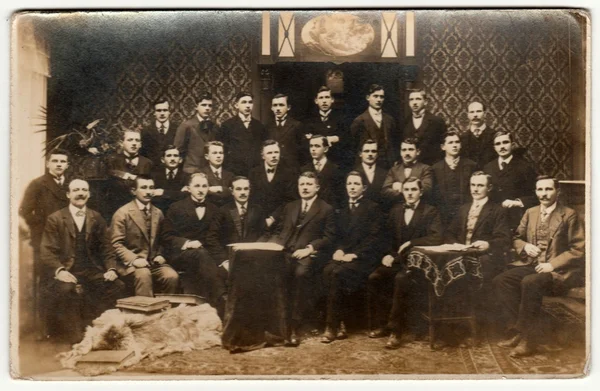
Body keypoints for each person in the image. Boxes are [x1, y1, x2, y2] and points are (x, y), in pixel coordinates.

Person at [493, 176, 585, 357]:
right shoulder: (530, 212)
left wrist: (552, 264)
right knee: (501, 280)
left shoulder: (569, 214)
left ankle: (529, 339)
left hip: (559, 271)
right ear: (535, 192)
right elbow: (516, 238)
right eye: (540, 190)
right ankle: (518, 331)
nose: (544, 194)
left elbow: (579, 249)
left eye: (548, 189)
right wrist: (525, 246)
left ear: (557, 192)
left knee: (530, 282)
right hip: (532, 265)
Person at [40, 179, 125, 343]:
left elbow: (106, 248)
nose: (80, 193)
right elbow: (47, 251)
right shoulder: (55, 219)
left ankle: (98, 329)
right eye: (76, 190)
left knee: (116, 286)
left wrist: (111, 269)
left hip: (91, 270)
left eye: (84, 190)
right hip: (67, 270)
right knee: (66, 290)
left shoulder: (96, 217)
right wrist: (60, 271)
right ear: (68, 194)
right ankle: (75, 337)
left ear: (89, 194)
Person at [367, 177, 443, 349]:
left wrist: (412, 242)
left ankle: (396, 331)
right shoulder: (395, 211)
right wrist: (388, 254)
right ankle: (382, 324)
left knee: (401, 279)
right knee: (375, 277)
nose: (409, 193)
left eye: (413, 190)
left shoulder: (430, 211)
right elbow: (386, 237)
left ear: (421, 192)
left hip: (419, 263)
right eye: (406, 190)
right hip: (398, 260)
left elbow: (437, 237)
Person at [270, 172, 336, 346]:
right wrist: (274, 245)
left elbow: (329, 237)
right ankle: (275, 324)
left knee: (300, 274)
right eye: (302, 184)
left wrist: (309, 249)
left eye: (308, 184)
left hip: (309, 255)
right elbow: (278, 231)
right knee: (273, 273)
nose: (305, 187)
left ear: (317, 187)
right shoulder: (290, 206)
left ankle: (294, 327)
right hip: (285, 252)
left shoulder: (326, 209)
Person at [445, 171, 511, 334]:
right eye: (473, 185)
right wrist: (456, 244)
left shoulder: (497, 210)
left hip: (484, 257)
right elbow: (450, 232)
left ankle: (477, 325)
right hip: (460, 254)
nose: (475, 189)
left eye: (480, 185)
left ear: (489, 188)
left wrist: (488, 244)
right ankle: (452, 324)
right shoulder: (463, 209)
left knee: (477, 276)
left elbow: (504, 239)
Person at [321, 171, 383, 343]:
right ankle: (340, 322)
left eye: (356, 184)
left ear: (363, 187)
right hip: (345, 256)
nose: (352, 187)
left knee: (337, 273)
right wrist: (340, 250)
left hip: (364, 258)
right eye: (349, 184)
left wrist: (355, 254)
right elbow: (338, 236)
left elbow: (374, 238)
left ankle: (332, 327)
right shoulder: (340, 208)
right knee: (327, 270)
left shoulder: (373, 207)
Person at [161, 173, 227, 318]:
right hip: (180, 255)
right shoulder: (176, 208)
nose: (200, 190)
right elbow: (166, 236)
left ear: (208, 188)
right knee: (200, 253)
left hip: (205, 256)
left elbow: (214, 238)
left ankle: (213, 313)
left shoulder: (214, 209)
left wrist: (223, 260)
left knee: (209, 258)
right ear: (188, 188)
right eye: (197, 186)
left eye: (204, 186)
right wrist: (187, 243)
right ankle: (222, 297)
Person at [111, 175, 179, 297]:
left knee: (171, 276)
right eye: (143, 187)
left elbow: (163, 240)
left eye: (151, 188)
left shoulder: (158, 213)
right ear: (133, 191)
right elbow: (116, 244)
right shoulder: (122, 213)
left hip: (153, 262)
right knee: (143, 275)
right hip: (130, 263)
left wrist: (160, 254)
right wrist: (135, 260)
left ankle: (167, 313)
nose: (148, 192)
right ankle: (145, 313)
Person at [205, 176, 268, 274]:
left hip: (254, 256)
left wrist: (256, 249)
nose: (243, 192)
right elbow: (211, 238)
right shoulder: (223, 211)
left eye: (246, 189)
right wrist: (224, 260)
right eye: (238, 189)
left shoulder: (257, 210)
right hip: (230, 258)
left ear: (250, 190)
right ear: (232, 191)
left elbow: (265, 233)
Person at [19, 149, 71, 260]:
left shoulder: (72, 184)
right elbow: (24, 210)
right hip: (43, 236)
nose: (58, 164)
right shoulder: (37, 184)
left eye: (62, 161)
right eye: (55, 161)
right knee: (45, 273)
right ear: (48, 164)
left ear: (67, 165)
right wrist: (40, 225)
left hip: (67, 237)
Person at [483, 130, 537, 230]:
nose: (502, 146)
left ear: (512, 145)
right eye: (498, 144)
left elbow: (536, 196)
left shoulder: (525, 167)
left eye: (505, 142)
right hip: (492, 219)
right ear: (494, 148)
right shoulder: (488, 168)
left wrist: (517, 202)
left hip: (515, 218)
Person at [431, 131, 477, 226]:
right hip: (443, 217)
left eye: (457, 142)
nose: (454, 145)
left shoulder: (471, 165)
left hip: (466, 215)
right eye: (450, 143)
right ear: (443, 147)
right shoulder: (435, 168)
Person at [218, 92, 268, 176]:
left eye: (250, 102)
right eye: (244, 102)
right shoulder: (227, 126)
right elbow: (224, 151)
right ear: (236, 105)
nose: (248, 105)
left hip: (255, 171)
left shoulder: (259, 126)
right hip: (234, 172)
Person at [106, 129, 153, 217]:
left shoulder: (147, 163)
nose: (134, 143)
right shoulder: (111, 161)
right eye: (130, 140)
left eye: (137, 140)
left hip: (141, 211)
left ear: (140, 144)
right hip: (117, 209)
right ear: (122, 143)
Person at [350, 84, 399, 168]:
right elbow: (354, 147)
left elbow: (393, 143)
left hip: (388, 165)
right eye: (375, 96)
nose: (379, 99)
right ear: (368, 97)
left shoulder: (389, 120)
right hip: (368, 165)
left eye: (381, 97)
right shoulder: (359, 121)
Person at [248, 140, 297, 220]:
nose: (274, 156)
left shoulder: (289, 174)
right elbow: (251, 198)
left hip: (280, 219)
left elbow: (290, 200)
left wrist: (273, 217)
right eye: (269, 153)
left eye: (276, 152)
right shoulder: (253, 173)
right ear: (263, 156)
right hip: (258, 219)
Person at [306, 86, 348, 170]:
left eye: (327, 97)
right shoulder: (310, 121)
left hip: (335, 163)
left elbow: (347, 139)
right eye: (321, 98)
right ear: (316, 101)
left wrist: (335, 138)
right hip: (316, 164)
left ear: (332, 100)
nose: (324, 101)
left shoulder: (341, 119)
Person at [174, 93, 218, 174]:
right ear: (196, 107)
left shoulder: (215, 127)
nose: (207, 108)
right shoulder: (186, 126)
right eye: (204, 105)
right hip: (191, 170)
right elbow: (178, 151)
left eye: (210, 105)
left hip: (209, 171)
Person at [382, 138, 433, 205]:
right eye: (404, 150)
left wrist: (401, 187)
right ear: (400, 152)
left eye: (411, 149)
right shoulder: (394, 170)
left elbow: (427, 189)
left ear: (418, 152)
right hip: (399, 208)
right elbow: (385, 191)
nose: (407, 153)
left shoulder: (425, 169)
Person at [402, 89, 447, 166]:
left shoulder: (437, 121)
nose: (414, 102)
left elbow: (443, 146)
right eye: (411, 100)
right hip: (410, 166)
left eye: (418, 99)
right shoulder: (404, 122)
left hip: (431, 166)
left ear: (425, 102)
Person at [300, 135, 343, 209]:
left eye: (317, 146)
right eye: (311, 146)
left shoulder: (335, 169)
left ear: (325, 149)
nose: (313, 149)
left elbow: (339, 195)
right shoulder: (304, 169)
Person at [266, 93, 305, 171]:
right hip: (274, 168)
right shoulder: (267, 126)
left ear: (288, 107)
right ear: (271, 108)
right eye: (275, 105)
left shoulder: (297, 125)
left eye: (281, 105)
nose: (278, 108)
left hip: (291, 169)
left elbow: (302, 151)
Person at [150, 145, 190, 213]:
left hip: (180, 212)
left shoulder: (187, 177)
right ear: (163, 160)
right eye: (169, 156)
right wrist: (178, 194)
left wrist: (163, 192)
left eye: (175, 156)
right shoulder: (155, 176)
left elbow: (186, 196)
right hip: (159, 212)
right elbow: (153, 197)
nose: (172, 159)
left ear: (180, 160)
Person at [140, 98, 179, 167]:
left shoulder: (178, 129)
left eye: (165, 110)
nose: (162, 113)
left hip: (172, 169)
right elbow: (142, 154)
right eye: (159, 110)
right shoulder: (145, 131)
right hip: (151, 170)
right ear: (154, 113)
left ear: (169, 112)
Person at [460, 101, 497, 170]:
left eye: (478, 111)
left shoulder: (495, 136)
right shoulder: (462, 138)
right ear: (468, 115)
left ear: (485, 114)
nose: (475, 115)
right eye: (472, 112)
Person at [354, 139, 388, 208]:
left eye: (373, 151)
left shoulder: (385, 174)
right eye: (366, 151)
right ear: (360, 153)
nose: (370, 154)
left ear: (377, 154)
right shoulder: (354, 174)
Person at [198, 141, 234, 207]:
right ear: (207, 156)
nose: (218, 156)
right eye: (214, 153)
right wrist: (226, 190)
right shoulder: (200, 173)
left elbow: (233, 192)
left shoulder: (230, 175)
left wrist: (220, 188)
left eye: (221, 153)